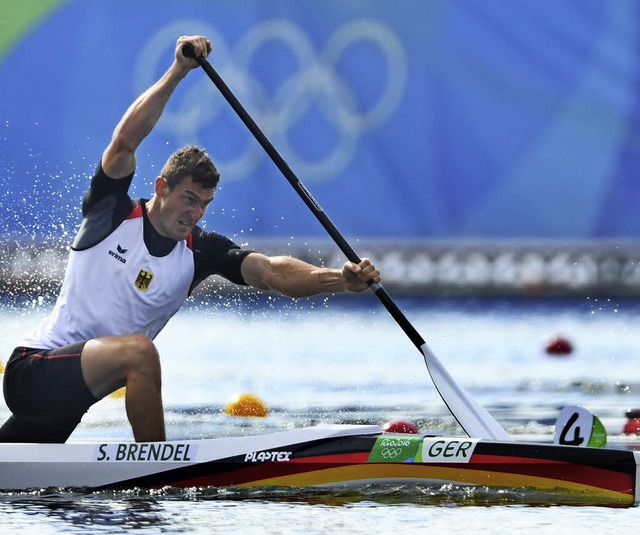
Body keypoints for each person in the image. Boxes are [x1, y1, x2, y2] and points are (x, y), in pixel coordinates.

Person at [0, 35, 381, 444]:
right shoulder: (110, 212)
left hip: (69, 401)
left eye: (204, 204)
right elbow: (125, 141)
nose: (195, 213)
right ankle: (158, 471)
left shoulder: (201, 251)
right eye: (188, 199)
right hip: (32, 371)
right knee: (140, 353)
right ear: (162, 186)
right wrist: (178, 71)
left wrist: (341, 280)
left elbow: (272, 273)